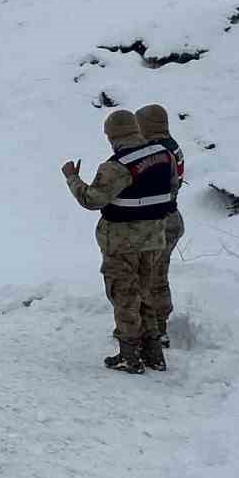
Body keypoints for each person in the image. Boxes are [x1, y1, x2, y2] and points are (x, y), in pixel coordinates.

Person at [63, 109, 175, 374]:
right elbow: (171, 190)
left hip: (122, 242)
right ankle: (153, 352)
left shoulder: (117, 166)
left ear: (113, 136)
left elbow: (92, 199)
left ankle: (129, 355)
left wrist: (72, 178)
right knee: (147, 292)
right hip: (154, 238)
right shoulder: (164, 155)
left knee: (124, 295)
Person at [136, 103, 185, 365]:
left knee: (154, 276)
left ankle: (158, 330)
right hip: (169, 218)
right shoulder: (171, 145)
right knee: (153, 274)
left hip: (161, 221)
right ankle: (150, 325)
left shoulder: (158, 152)